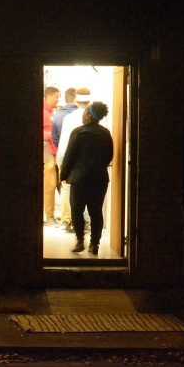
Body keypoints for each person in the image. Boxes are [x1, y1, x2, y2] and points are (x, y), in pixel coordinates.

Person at [60, 101, 113, 255]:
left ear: (89, 115)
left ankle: (79, 240)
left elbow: (69, 156)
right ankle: (94, 244)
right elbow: (109, 155)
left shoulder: (78, 132)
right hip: (99, 179)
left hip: (79, 179)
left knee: (76, 210)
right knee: (96, 211)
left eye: (84, 112)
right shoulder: (105, 133)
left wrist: (63, 175)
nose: (83, 114)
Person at [55, 88, 91, 232]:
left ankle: (72, 222)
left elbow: (64, 143)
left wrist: (61, 162)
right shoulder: (97, 118)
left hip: (73, 161)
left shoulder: (69, 118)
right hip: (91, 162)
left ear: (76, 99)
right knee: (89, 192)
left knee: (70, 191)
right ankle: (86, 222)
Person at [42, 86, 60, 225]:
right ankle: (49, 215)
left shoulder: (54, 112)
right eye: (56, 97)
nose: (57, 100)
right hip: (46, 151)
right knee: (50, 182)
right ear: (48, 96)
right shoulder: (41, 111)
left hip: (54, 150)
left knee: (56, 182)